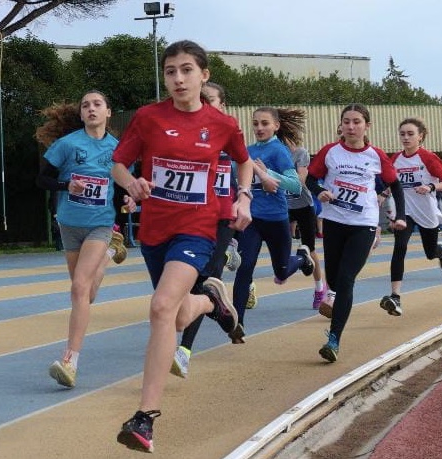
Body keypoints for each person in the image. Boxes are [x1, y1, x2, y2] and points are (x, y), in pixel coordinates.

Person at [112, 40, 253, 453]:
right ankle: (210, 300)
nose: (178, 78)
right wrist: (131, 182)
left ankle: (145, 418)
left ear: (203, 75)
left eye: (187, 70)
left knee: (160, 307)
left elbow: (244, 160)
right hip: (155, 230)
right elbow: (118, 164)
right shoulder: (148, 117)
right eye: (170, 71)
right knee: (175, 317)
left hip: (197, 229)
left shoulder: (222, 124)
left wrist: (244, 197)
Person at [35, 90, 130, 389]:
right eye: (85, 105)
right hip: (69, 224)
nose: (91, 109)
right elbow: (42, 179)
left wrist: (129, 200)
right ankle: (108, 256)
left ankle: (70, 362)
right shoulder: (67, 144)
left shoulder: (118, 149)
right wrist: (66, 185)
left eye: (97, 104)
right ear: (80, 114)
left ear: (108, 112)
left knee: (78, 288)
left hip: (100, 225)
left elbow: (123, 187)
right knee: (87, 295)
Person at [306, 103, 407, 363]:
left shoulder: (376, 155)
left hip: (363, 223)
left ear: (366, 126)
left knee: (346, 279)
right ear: (341, 125)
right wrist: (320, 192)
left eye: (357, 122)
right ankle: (337, 305)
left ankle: (334, 340)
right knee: (335, 279)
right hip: (334, 221)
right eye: (347, 122)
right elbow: (310, 179)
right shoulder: (330, 151)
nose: (351, 127)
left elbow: (395, 185)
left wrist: (401, 216)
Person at [170, 81, 241, 379]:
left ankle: (184, 351)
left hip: (222, 219)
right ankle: (217, 306)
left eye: (209, 99)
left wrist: (244, 199)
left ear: (222, 105)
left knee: (202, 282)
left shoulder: (228, 132)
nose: (203, 103)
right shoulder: (186, 133)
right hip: (191, 219)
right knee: (184, 289)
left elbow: (243, 168)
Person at [232, 106, 314, 343]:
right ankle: (237, 323)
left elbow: (295, 186)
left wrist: (267, 173)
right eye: (255, 123)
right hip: (253, 219)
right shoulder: (248, 151)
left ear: (276, 126)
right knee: (245, 268)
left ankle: (302, 258)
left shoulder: (279, 151)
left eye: (265, 123)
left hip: (276, 218)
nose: (259, 128)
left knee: (281, 271)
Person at [379, 118, 442, 317]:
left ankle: (441, 252)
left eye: (410, 134)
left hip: (426, 211)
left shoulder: (428, 158)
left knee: (430, 252)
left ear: (420, 136)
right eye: (402, 134)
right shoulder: (396, 158)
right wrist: (383, 195)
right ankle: (395, 296)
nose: (406, 137)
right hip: (404, 211)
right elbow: (392, 183)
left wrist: (431, 186)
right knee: (399, 247)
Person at [283, 130, 326, 310]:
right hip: (284, 206)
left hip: (303, 206)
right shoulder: (275, 152)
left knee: (310, 248)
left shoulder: (301, 153)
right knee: (280, 245)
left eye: (286, 138)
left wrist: (275, 178)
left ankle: (319, 288)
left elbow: (300, 180)